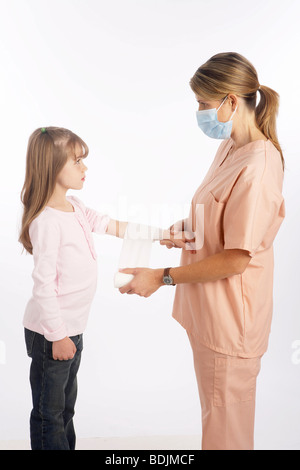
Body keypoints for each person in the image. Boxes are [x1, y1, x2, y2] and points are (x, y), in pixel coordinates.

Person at [118, 52, 285, 450]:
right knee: (218, 422)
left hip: (231, 321)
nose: (198, 112)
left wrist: (161, 277)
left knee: (227, 436)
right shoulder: (231, 147)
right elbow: (221, 214)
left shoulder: (260, 166)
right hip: (211, 316)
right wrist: (188, 229)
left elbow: (236, 257)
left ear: (230, 101)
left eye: (202, 104)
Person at [19, 126, 182, 450]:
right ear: (52, 166)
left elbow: (116, 226)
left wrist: (162, 233)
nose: (85, 168)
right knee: (48, 414)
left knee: (65, 408)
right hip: (53, 332)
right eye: (77, 161)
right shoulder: (47, 221)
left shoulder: (76, 207)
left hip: (72, 328)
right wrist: (58, 336)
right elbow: (43, 287)